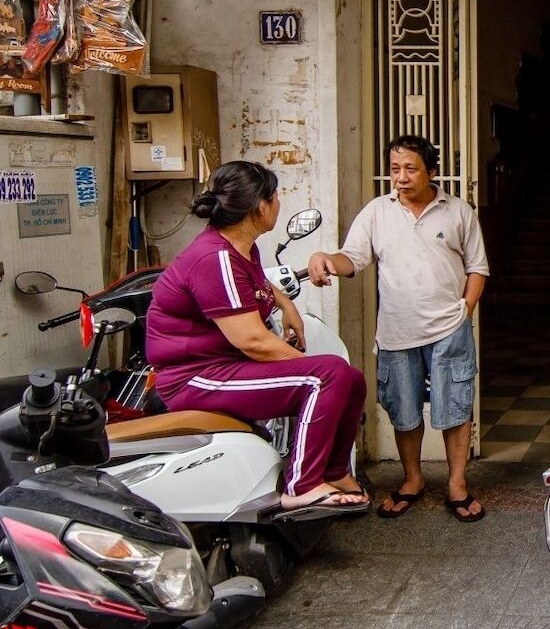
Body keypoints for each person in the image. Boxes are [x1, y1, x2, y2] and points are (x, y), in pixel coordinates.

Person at [146, 161, 369, 512]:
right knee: (328, 376)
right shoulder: (215, 258)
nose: (280, 203)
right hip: (197, 378)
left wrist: (286, 304)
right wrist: (318, 369)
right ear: (260, 207)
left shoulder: (241, 248)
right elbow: (253, 341)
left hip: (224, 367)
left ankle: (335, 470)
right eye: (276, 195)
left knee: (351, 378)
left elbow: (255, 284)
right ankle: (302, 485)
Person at [308, 134, 491, 522]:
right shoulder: (377, 212)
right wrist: (325, 258)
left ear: (432, 172)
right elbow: (353, 259)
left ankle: (457, 484)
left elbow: (478, 268)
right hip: (396, 330)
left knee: (455, 407)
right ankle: (412, 480)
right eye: (395, 169)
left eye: (410, 169)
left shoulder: (458, 211)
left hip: (449, 329)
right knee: (403, 409)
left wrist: (465, 310)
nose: (401, 177)